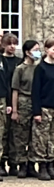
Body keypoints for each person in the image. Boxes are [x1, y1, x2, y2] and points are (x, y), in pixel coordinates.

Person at [29, 38, 54, 181]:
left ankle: (51, 165)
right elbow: (36, 91)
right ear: (46, 50)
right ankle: (42, 167)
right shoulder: (41, 68)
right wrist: (37, 112)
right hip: (44, 108)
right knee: (41, 138)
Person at [11, 40, 39, 178]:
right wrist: (15, 110)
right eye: (35, 50)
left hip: (36, 102)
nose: (38, 53)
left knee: (35, 135)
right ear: (27, 52)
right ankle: (21, 163)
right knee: (21, 135)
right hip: (23, 102)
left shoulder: (39, 68)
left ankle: (32, 164)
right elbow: (15, 90)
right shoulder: (20, 69)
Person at [0, 33, 19, 177]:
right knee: (3, 133)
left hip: (15, 99)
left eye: (14, 44)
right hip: (5, 99)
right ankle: (2, 161)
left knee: (14, 134)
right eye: (9, 43)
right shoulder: (3, 59)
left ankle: (14, 162)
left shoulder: (17, 62)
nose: (12, 47)